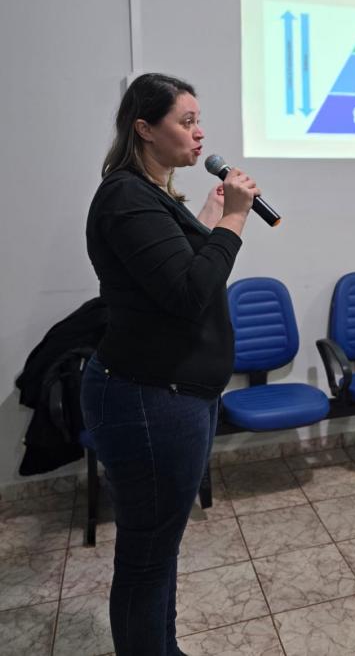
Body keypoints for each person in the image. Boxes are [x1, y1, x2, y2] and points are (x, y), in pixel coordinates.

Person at [80, 72, 258, 656]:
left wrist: (206, 220)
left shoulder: (154, 196)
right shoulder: (125, 197)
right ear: (144, 129)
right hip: (149, 398)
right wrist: (233, 221)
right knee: (147, 556)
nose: (199, 133)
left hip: (178, 394)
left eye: (198, 120)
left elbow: (176, 279)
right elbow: (188, 294)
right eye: (186, 121)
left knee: (161, 547)